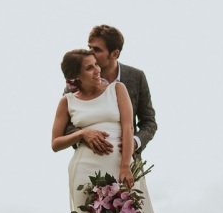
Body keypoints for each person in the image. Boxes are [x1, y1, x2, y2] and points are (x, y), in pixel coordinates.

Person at [52, 49, 223, 213]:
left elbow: (128, 127)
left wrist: (125, 166)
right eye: (89, 67)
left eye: (95, 64)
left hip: (118, 166)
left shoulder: (117, 89)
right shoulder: (67, 102)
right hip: (84, 171)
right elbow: (56, 143)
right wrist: (82, 134)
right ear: (75, 76)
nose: (97, 69)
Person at [66, 25, 157, 158]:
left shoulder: (136, 77)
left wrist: (134, 142)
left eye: (96, 49)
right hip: (88, 159)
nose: (90, 53)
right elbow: (65, 124)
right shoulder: (77, 80)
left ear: (114, 54)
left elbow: (149, 122)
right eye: (89, 47)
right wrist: (83, 135)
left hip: (129, 163)